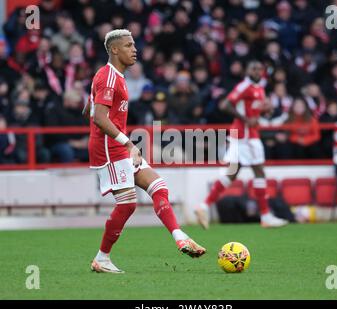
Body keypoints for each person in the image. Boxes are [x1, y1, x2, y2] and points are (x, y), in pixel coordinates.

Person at [83, 29, 206, 274]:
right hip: (109, 150)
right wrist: (128, 143)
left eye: (134, 45)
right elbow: (97, 117)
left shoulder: (114, 77)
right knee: (127, 204)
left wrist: (97, 109)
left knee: (158, 186)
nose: (134, 49)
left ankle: (180, 236)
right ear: (115, 50)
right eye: (128, 45)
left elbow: (89, 110)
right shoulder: (108, 77)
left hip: (118, 145)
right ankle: (102, 258)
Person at [194, 61, 288, 229]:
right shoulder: (244, 86)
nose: (257, 71)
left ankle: (203, 206)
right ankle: (265, 215)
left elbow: (253, 110)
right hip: (245, 136)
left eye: (260, 68)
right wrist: (246, 120)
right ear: (247, 70)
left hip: (245, 135)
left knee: (232, 174)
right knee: (259, 171)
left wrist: (265, 110)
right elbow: (225, 105)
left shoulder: (259, 88)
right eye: (253, 68)